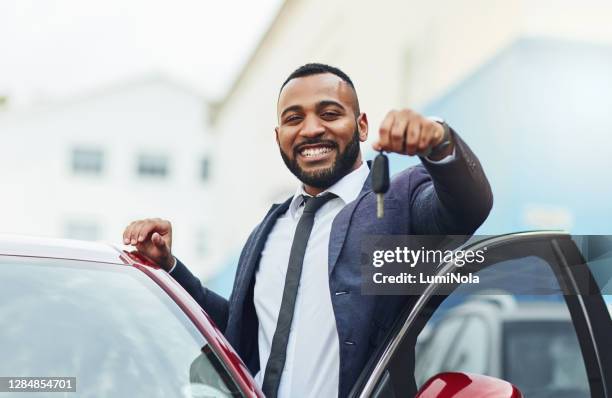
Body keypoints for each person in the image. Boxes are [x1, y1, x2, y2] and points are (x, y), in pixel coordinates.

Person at [123, 63, 493, 398]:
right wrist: (170, 267)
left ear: (361, 126)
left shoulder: (397, 203)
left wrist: (440, 142)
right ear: (279, 135)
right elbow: (236, 332)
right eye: (294, 118)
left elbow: (467, 205)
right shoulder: (268, 230)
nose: (312, 129)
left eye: (329, 114)